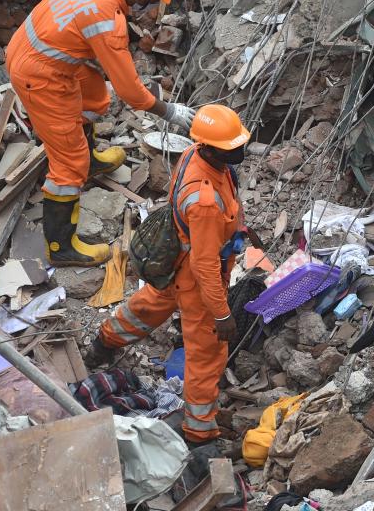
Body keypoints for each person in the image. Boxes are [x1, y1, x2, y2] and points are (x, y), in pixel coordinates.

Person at [5, 0, 196, 267]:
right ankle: (60, 246)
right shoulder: (107, 21)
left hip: (39, 49)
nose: (149, 8)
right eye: (151, 0)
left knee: (94, 97)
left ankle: (90, 159)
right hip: (39, 76)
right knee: (68, 166)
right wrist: (168, 111)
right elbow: (131, 91)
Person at [84, 104, 250, 445]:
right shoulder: (204, 200)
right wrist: (221, 313)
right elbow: (205, 267)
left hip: (177, 260)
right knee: (206, 353)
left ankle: (103, 343)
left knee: (149, 305)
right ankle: (199, 434)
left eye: (239, 143)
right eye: (232, 146)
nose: (240, 150)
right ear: (209, 146)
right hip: (197, 277)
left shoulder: (194, 154)